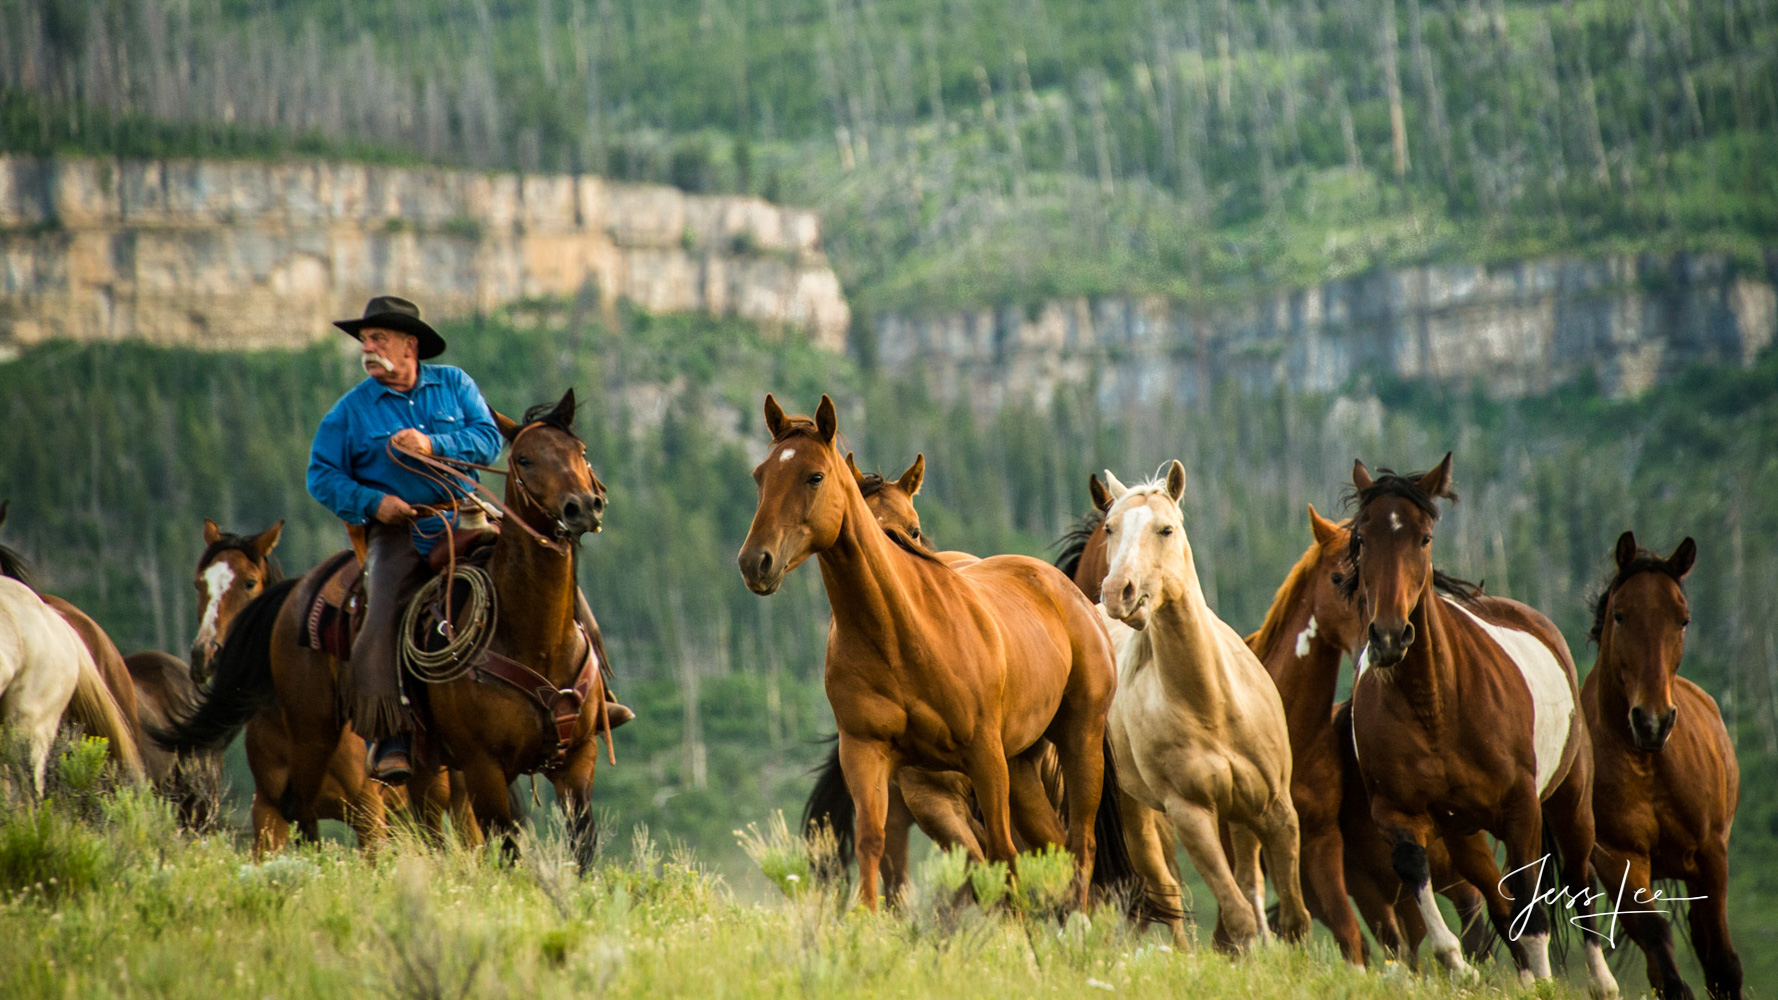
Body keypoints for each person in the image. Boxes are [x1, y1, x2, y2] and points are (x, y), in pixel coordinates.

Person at [307, 295, 630, 784]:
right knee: (380, 613)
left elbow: (486, 439)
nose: (367, 348)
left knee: (559, 585)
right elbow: (321, 476)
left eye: (377, 338)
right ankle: (391, 735)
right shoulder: (351, 412)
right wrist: (375, 504)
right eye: (365, 340)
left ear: (409, 345)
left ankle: (598, 691)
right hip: (401, 531)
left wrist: (433, 444)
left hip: (470, 517)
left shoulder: (455, 385)